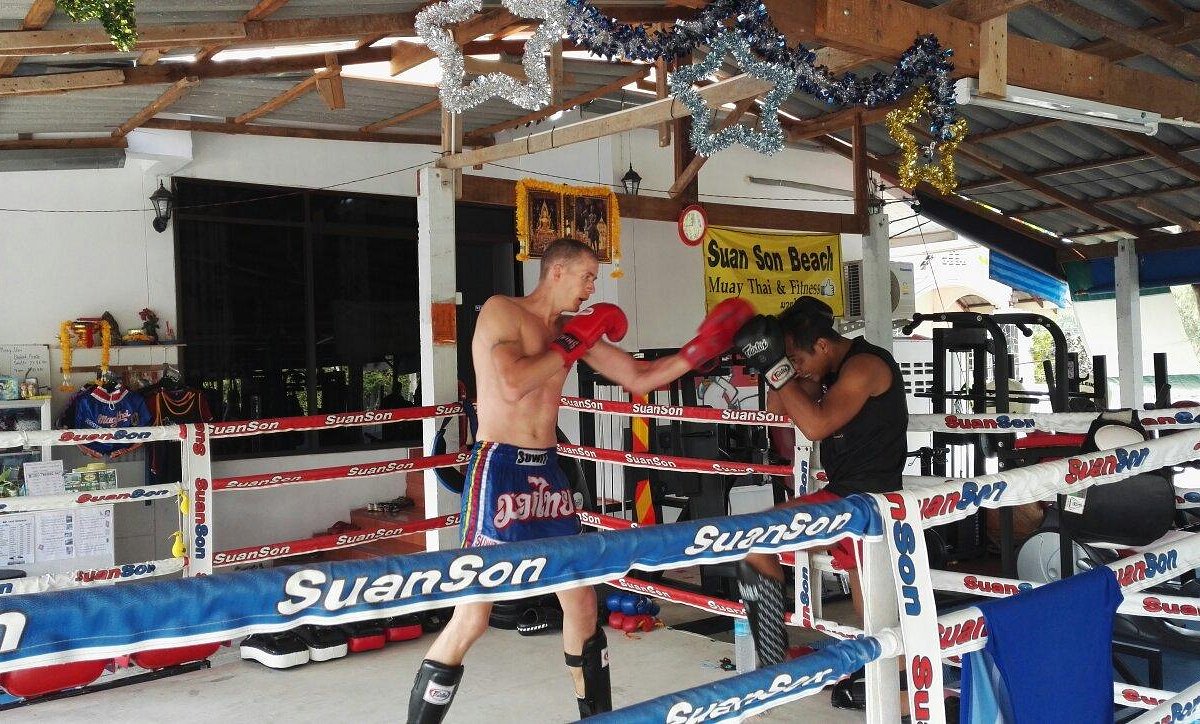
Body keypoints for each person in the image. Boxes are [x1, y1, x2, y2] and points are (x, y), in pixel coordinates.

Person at [407, 238, 753, 723]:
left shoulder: (572, 329)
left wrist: (695, 353)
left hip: (547, 471)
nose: (593, 288)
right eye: (588, 276)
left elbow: (637, 376)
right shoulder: (502, 312)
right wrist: (573, 342)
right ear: (558, 273)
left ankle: (595, 716)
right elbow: (512, 382)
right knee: (474, 614)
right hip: (500, 467)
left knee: (582, 601)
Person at [733, 296, 908, 707]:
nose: (795, 367)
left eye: (797, 357)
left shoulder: (865, 366)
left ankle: (895, 692)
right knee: (757, 542)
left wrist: (779, 369)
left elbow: (814, 425)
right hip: (842, 499)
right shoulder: (824, 371)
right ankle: (775, 667)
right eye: (788, 359)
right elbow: (780, 407)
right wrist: (772, 362)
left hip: (871, 504)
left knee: (876, 609)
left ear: (824, 346)